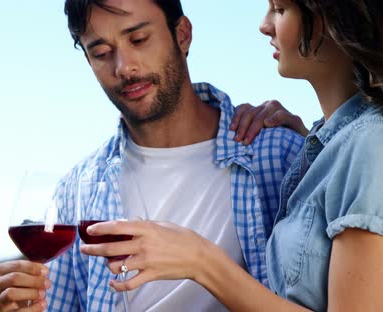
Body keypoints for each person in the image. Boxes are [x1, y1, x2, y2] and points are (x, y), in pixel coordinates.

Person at [0, 0, 305, 311]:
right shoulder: (77, 191)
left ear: (182, 35)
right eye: (100, 53)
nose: (123, 66)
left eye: (138, 39)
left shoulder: (282, 156)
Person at [82, 0, 383, 311]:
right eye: (101, 53)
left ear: (335, 17)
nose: (264, 25)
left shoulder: (368, 139)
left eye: (279, 9)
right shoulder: (323, 147)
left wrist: (201, 260)